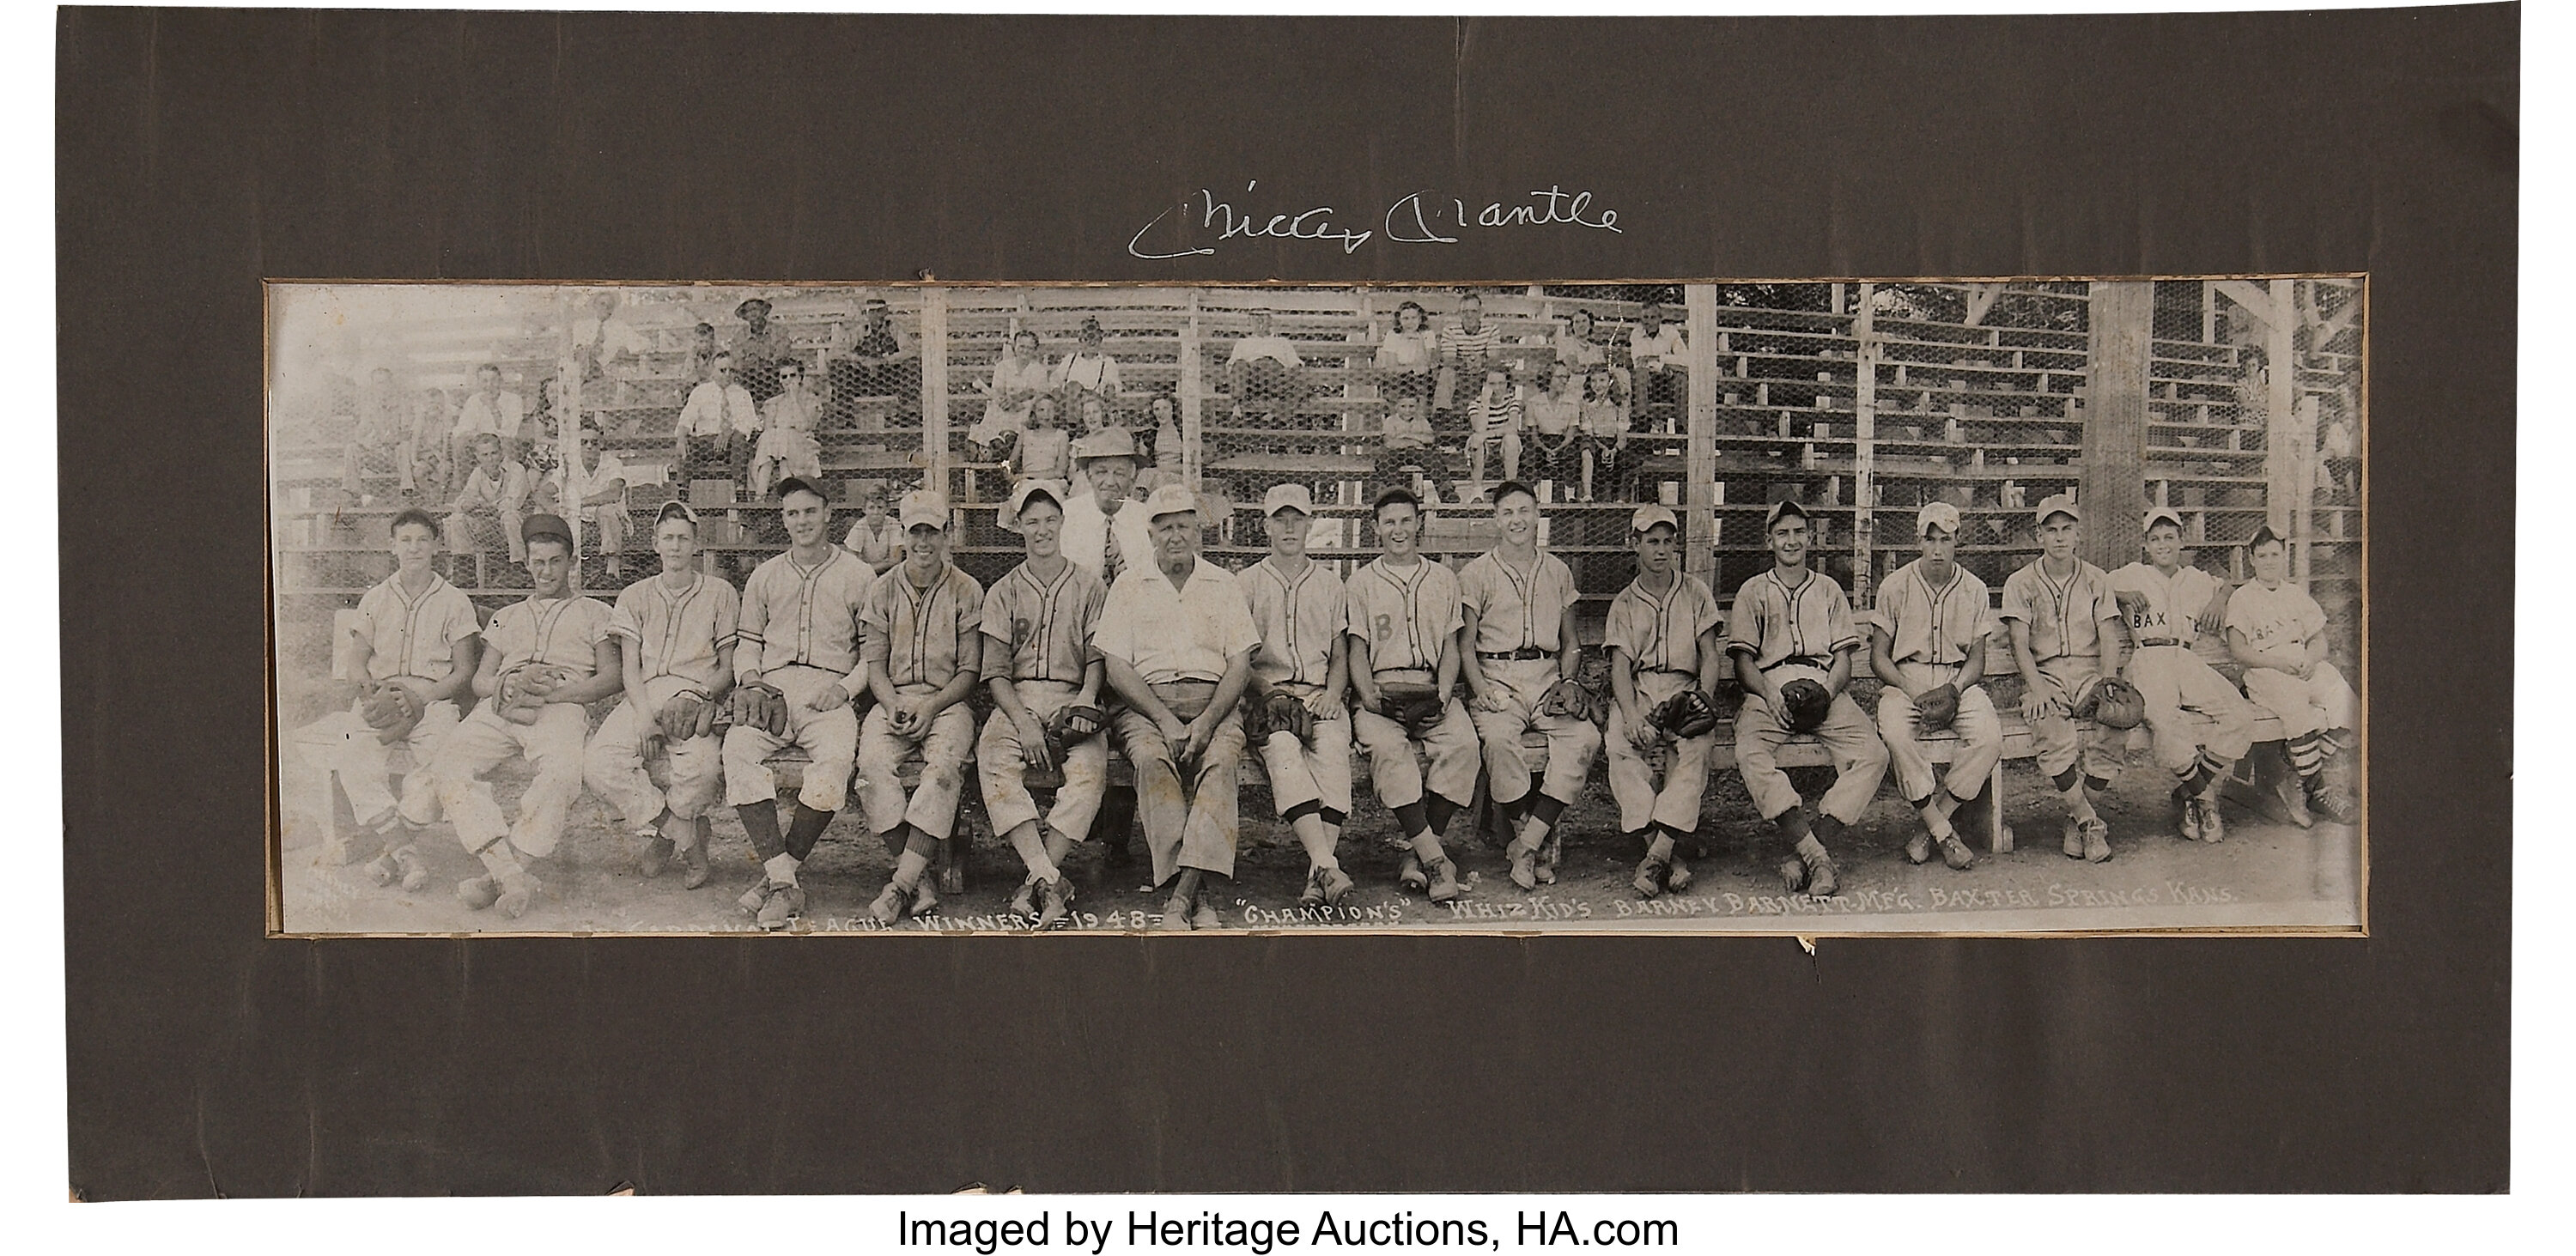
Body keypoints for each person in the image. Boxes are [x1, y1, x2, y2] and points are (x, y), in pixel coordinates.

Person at [425, 513, 623, 919]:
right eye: (538, 561)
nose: (545, 570)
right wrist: (507, 686)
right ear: (528, 563)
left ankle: (506, 873)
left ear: (570, 562)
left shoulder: (594, 612)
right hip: (503, 704)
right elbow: (480, 679)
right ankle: (508, 874)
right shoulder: (508, 615)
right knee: (447, 764)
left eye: (554, 561)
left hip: (561, 706)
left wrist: (555, 694)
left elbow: (612, 678)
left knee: (563, 774)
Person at [1094, 483, 1261, 930]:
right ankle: (1196, 892)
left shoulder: (1222, 584)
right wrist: (1165, 719)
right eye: (1165, 527)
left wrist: (1207, 721)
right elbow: (1117, 667)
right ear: (1150, 533)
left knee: (1221, 764)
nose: (1175, 536)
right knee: (1152, 762)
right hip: (1148, 706)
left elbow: (1239, 664)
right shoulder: (1129, 585)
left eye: (1184, 525)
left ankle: (1181, 896)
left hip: (1215, 703)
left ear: (1198, 530)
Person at [724, 476, 877, 930]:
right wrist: (750, 680)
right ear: (783, 519)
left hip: (829, 691)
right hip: (772, 689)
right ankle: (784, 881)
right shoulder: (766, 574)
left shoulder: (859, 575)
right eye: (792, 513)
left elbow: (873, 655)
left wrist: (846, 689)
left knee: (832, 770)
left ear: (828, 513)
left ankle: (778, 878)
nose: (802, 521)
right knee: (736, 751)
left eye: (810, 511)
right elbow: (747, 643)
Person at [304, 508, 480, 888]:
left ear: (437, 545)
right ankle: (406, 853)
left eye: (422, 540)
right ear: (392, 546)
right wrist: (369, 692)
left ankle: (386, 848)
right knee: (350, 755)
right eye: (405, 540)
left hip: (432, 700)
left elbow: (464, 671)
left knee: (442, 769)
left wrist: (422, 697)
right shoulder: (377, 597)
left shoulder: (454, 600)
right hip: (382, 695)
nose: (414, 548)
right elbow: (356, 662)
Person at [1728, 500, 1889, 897]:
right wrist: (1768, 694)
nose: (1792, 540)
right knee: (1750, 753)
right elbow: (1744, 663)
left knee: (1875, 754)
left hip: (1821, 682)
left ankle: (1808, 849)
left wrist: (1828, 692)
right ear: (1769, 541)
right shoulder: (1754, 591)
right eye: (1782, 533)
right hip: (1770, 686)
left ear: (1810, 538)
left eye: (1799, 532)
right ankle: (1817, 857)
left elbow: (1843, 659)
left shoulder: (1828, 589)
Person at [978, 480, 1111, 930]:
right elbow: (995, 672)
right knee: (995, 760)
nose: (1042, 529)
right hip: (1018, 697)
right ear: (1018, 527)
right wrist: (1025, 724)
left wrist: (1086, 701)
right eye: (1032, 521)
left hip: (1074, 695)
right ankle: (1049, 879)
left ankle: (1035, 878)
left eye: (1050, 519)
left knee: (1089, 773)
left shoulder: (1090, 584)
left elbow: (1097, 658)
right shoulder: (1003, 590)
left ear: (1062, 522)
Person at [583, 501, 738, 889]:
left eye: (683, 538)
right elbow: (630, 669)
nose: (675, 547)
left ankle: (667, 834)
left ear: (696, 543)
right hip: (646, 692)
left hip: (695, 693)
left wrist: (697, 695)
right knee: (599, 762)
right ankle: (683, 835)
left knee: (702, 769)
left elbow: (728, 668)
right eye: (667, 538)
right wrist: (644, 718)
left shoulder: (720, 592)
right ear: (655, 543)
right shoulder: (635, 595)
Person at [1460, 481, 1602, 889]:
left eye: (1524, 511)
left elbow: (1571, 642)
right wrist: (1480, 689)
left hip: (1545, 679)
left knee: (1585, 737)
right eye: (1507, 512)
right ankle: (1531, 838)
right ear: (1495, 520)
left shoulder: (1557, 570)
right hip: (1496, 676)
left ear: (1538, 514)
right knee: (1501, 742)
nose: (1516, 520)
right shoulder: (1477, 573)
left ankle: (1527, 844)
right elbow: (1466, 646)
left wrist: (1571, 680)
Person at [1345, 487, 1481, 901]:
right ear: (1376, 529)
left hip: (1428, 685)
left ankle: (1420, 852)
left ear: (1419, 522)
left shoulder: (1442, 577)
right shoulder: (1361, 581)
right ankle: (1436, 861)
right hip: (1383, 688)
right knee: (1389, 750)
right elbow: (1357, 649)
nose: (1398, 530)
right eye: (1389, 522)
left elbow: (1450, 649)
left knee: (1464, 745)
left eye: (1406, 520)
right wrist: (1369, 697)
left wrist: (1442, 694)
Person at [856, 490, 987, 925]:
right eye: (916, 532)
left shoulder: (967, 588)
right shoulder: (882, 588)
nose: (924, 542)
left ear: (946, 535)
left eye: (933, 532)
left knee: (944, 770)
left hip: (947, 702)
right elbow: (874, 666)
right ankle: (919, 878)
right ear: (903, 536)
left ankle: (899, 886)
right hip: (894, 699)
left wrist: (931, 705)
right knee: (871, 769)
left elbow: (969, 672)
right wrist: (892, 703)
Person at [2110, 507, 2257, 844]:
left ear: (2182, 541)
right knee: (2165, 720)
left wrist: (2221, 599)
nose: (2163, 545)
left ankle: (2191, 791)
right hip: (2148, 657)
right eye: (2156, 539)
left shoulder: (2196, 579)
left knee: (2240, 716)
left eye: (2170, 537)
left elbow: (2228, 585)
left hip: (2185, 657)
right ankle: (2205, 801)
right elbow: (2090, 585)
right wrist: (2119, 595)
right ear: (2146, 545)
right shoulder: (2132, 573)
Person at [1242, 483, 1358, 908]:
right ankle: (1326, 865)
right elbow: (1239, 660)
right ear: (1265, 525)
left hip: (1317, 694)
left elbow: (1341, 654)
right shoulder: (1247, 582)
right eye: (1280, 519)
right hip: (1270, 696)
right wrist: (1267, 692)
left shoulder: (1329, 584)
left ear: (1311, 523)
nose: (1289, 527)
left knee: (1332, 753)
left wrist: (1333, 692)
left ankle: (1318, 873)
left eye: (1297, 518)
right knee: (1284, 750)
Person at [1601, 505, 1726, 899]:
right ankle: (1669, 853)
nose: (1661, 550)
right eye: (1651, 541)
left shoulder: (1695, 591)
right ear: (1634, 545)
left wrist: (1702, 698)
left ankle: (1655, 856)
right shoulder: (1624, 601)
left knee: (1695, 749)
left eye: (1668, 541)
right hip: (1640, 687)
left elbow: (1710, 655)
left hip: (1684, 687)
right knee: (1620, 747)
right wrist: (1632, 713)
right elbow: (1620, 668)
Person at [1869, 501, 2001, 871]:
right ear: (1919, 541)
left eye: (1946, 539)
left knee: (1989, 738)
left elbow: (1977, 658)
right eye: (1931, 540)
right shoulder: (1895, 585)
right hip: (1907, 678)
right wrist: (1912, 691)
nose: (1938, 548)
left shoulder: (1974, 588)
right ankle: (1944, 833)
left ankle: (1933, 825)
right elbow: (1879, 657)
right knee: (1895, 732)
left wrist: (1955, 691)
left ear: (1958, 540)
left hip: (1956, 679)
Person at [1998, 495, 2129, 863]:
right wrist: (2037, 688)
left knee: (2117, 722)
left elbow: (2109, 636)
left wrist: (2107, 681)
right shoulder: (2021, 582)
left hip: (2090, 672)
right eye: (2050, 530)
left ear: (2078, 533)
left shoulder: (2095, 579)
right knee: (2047, 722)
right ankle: (2089, 820)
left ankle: (2077, 818)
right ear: (2038, 535)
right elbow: (2018, 644)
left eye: (2066, 529)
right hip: (2048, 673)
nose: (2059, 537)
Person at [2226, 525, 2359, 823]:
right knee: (2298, 703)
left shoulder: (2295, 594)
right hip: (2265, 671)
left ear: (2284, 556)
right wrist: (2275, 664)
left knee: (2348, 705)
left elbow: (2319, 640)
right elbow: (2239, 650)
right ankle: (2319, 791)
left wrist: (2312, 660)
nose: (2269, 561)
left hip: (2301, 664)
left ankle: (2298, 775)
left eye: (2275, 554)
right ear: (2251, 559)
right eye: (2262, 556)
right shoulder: (2243, 597)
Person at [1059, 428, 1154, 586]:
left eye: (1119, 473)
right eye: (1102, 472)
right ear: (1089, 476)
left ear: (1132, 478)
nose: (1110, 482)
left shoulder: (1145, 518)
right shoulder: (1068, 515)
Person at [550, 421, 632, 579]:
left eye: (594, 442)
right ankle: (565, 574)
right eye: (584, 442)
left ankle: (612, 572)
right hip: (579, 522)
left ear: (601, 443)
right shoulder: (570, 465)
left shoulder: (612, 463)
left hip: (609, 523)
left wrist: (577, 503)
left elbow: (614, 494)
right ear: (577, 445)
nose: (589, 447)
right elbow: (544, 491)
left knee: (606, 510)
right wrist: (551, 506)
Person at [674, 351, 759, 494]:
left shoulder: (743, 394)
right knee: (687, 444)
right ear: (713, 371)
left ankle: (740, 490)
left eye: (731, 370)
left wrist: (727, 433)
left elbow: (748, 423)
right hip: (707, 442)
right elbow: (686, 418)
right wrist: (681, 438)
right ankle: (683, 491)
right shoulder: (700, 392)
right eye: (722, 370)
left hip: (732, 445)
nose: (727, 374)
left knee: (740, 440)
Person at [443, 432, 533, 563]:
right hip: (490, 526)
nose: (490, 459)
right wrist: (467, 505)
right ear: (477, 456)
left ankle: (518, 566)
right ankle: (463, 566)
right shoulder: (478, 473)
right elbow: (462, 501)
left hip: (518, 528)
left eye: (494, 453)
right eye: (485, 455)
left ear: (501, 452)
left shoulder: (517, 470)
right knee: (457, 519)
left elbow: (511, 504)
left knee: (510, 517)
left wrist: (480, 505)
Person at [969, 328, 1054, 458]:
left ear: (1035, 350)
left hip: (1025, 409)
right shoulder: (1003, 366)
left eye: (1029, 348)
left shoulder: (1039, 370)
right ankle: (993, 446)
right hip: (1003, 407)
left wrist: (1018, 403)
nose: (1025, 351)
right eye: (1021, 346)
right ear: (1015, 346)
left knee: (1022, 421)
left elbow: (1038, 395)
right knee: (995, 412)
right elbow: (998, 390)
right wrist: (1004, 401)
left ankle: (1007, 443)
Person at [748, 358, 825, 494]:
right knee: (774, 438)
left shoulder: (811, 400)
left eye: (793, 375)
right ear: (779, 380)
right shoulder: (773, 403)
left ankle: (784, 495)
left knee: (785, 438)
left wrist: (794, 399)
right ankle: (760, 497)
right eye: (784, 376)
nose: (788, 380)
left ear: (800, 378)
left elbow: (804, 427)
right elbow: (768, 432)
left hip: (803, 446)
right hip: (775, 449)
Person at [841, 296, 919, 420]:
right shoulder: (860, 331)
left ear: (885, 312)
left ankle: (907, 414)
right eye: (871, 311)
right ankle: (844, 416)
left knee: (912, 363)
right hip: (864, 378)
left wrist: (886, 360)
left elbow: (911, 350)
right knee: (839, 365)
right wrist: (860, 360)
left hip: (889, 377)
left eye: (879, 311)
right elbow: (839, 351)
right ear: (866, 314)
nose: (875, 315)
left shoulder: (894, 328)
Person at [343, 367, 415, 501]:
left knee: (404, 447)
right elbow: (359, 434)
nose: (382, 387)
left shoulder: (403, 404)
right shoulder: (370, 407)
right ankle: (351, 493)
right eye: (378, 383)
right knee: (351, 448)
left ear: (391, 384)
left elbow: (407, 433)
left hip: (396, 457)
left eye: (385, 382)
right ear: (373, 386)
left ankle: (407, 491)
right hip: (377, 456)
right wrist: (367, 442)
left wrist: (390, 439)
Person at [1371, 392, 1455, 504]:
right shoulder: (1391, 421)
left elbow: (1430, 439)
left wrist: (1405, 436)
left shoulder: (1421, 420)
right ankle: (1399, 492)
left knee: (1434, 459)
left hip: (1418, 452)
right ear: (1396, 407)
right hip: (1397, 453)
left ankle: (1446, 492)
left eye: (1411, 407)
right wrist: (1416, 439)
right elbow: (1389, 443)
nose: (1407, 410)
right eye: (1403, 406)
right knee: (1383, 460)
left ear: (1417, 407)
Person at [1224, 307, 1308, 420]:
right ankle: (1237, 408)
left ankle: (1273, 416)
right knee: (1239, 364)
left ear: (1270, 321)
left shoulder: (1282, 342)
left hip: (1276, 379)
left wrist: (1290, 371)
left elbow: (1296, 364)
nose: (1260, 321)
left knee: (1301, 380)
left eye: (1263, 317)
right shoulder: (1243, 343)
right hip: (1252, 380)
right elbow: (1232, 367)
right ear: (1249, 322)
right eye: (1255, 318)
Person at [1433, 294, 1503, 416]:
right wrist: (1466, 362)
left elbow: (1494, 357)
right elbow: (1449, 359)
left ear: (1481, 312)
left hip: (1483, 371)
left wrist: (1480, 361)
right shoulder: (1450, 330)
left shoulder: (1492, 329)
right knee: (1446, 373)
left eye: (1474, 311)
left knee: (1496, 374)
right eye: (1465, 311)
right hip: (1458, 371)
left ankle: (1497, 412)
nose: (1469, 315)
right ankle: (1442, 414)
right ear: (1459, 313)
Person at [453, 362, 527, 465]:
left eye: (494, 380)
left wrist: (492, 407)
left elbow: (511, 431)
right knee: (460, 444)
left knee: (504, 446)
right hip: (479, 441)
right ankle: (467, 481)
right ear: (479, 383)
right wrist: (473, 436)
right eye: (484, 381)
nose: (489, 385)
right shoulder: (474, 400)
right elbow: (464, 427)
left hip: (503, 442)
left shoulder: (513, 399)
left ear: (500, 381)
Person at [1463, 361, 1523, 487]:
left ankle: (1510, 486)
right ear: (1484, 384)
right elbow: (1479, 429)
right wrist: (1485, 402)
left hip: (1504, 446)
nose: (1497, 388)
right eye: (1492, 384)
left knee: (1511, 439)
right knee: (1476, 441)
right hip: (1484, 447)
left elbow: (1512, 428)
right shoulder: (1475, 404)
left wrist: (1486, 435)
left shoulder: (1511, 402)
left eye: (1501, 383)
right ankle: (1477, 490)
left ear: (1507, 384)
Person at [1522, 361, 1580, 490]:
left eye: (1566, 377)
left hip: (1563, 442)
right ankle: (1531, 492)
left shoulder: (1572, 403)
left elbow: (1570, 436)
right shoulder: (1534, 402)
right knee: (1530, 452)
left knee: (1571, 452)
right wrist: (1546, 451)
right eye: (1560, 377)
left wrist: (1556, 450)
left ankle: (1568, 494)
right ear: (1549, 377)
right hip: (1541, 443)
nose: (1564, 381)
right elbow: (1534, 436)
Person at [1574, 366, 1628, 501]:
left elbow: (1622, 437)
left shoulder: (1620, 404)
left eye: (1602, 380)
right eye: (1594, 381)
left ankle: (1620, 498)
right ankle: (1587, 494)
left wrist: (1613, 450)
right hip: (1595, 443)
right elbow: (1589, 433)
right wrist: (1603, 448)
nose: (1598, 385)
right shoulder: (1585, 404)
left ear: (1610, 382)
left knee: (1628, 457)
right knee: (1586, 449)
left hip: (1613, 442)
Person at [1627, 300, 1688, 414]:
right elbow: (1639, 362)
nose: (1649, 321)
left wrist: (1658, 358)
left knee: (1682, 379)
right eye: (1645, 317)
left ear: (1660, 318)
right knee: (1640, 374)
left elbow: (1684, 360)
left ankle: (1682, 425)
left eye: (1653, 317)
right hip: (1648, 380)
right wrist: (1663, 366)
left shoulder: (1671, 333)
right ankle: (1642, 420)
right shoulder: (1636, 334)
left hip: (1669, 379)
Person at [732, 297, 793, 409]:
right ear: (745, 316)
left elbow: (782, 353)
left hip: (774, 376)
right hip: (749, 378)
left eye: (756, 309)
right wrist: (748, 364)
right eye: (749, 311)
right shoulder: (740, 336)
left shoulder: (779, 331)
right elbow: (737, 360)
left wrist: (767, 363)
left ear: (763, 311)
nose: (753, 314)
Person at [1373, 300, 1437, 402]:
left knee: (1423, 383)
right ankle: (1395, 417)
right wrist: (1412, 368)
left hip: (1420, 376)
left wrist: (1419, 340)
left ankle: (1421, 417)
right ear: (1399, 320)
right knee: (1395, 383)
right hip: (1398, 376)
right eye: (1405, 318)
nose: (1410, 322)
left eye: (1414, 318)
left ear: (1420, 319)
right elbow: (1392, 366)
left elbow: (1425, 364)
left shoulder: (1427, 334)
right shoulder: (1393, 335)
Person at [1052, 316, 1124, 403]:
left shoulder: (1107, 363)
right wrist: (1056, 389)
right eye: (1087, 339)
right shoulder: (1070, 359)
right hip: (1071, 405)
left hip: (1095, 407)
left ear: (1100, 340)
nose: (1091, 343)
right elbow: (1055, 379)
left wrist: (1111, 389)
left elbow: (1116, 386)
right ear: (1081, 340)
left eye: (1095, 339)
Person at [840, 480, 901, 573]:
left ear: (887, 508)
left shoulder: (893, 524)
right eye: (871, 508)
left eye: (880, 507)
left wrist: (868, 568)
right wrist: (880, 565)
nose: (876, 512)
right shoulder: (860, 527)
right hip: (863, 574)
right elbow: (851, 561)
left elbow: (896, 560)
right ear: (864, 509)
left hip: (888, 573)